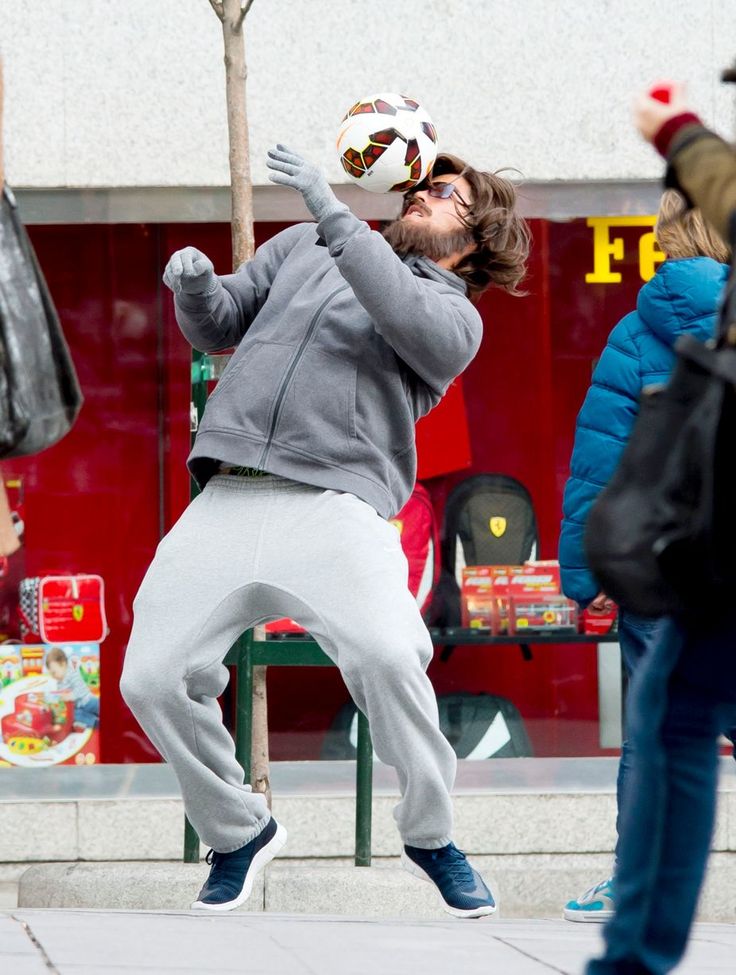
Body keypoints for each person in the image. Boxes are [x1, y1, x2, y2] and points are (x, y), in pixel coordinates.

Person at [120, 146, 530, 915]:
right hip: (230, 491)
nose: (420, 195)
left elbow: (394, 305)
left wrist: (329, 208)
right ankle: (238, 830)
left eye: (443, 194)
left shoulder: (455, 318)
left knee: (388, 651)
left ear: (478, 238)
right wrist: (195, 286)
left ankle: (431, 835)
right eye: (421, 185)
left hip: (336, 506)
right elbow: (220, 324)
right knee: (150, 676)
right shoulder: (308, 243)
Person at [582, 83, 736, 975]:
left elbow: (602, 454)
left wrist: (677, 131)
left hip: (699, 547)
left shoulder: (638, 328)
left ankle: (635, 954)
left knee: (670, 722)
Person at [46, 646, 99, 731]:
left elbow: (80, 690)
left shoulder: (71, 674)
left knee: (97, 705)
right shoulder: (59, 682)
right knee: (74, 714)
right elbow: (62, 695)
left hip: (87, 700)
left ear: (63, 664)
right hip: (77, 706)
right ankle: (95, 722)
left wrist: (71, 696)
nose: (53, 676)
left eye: (54, 673)